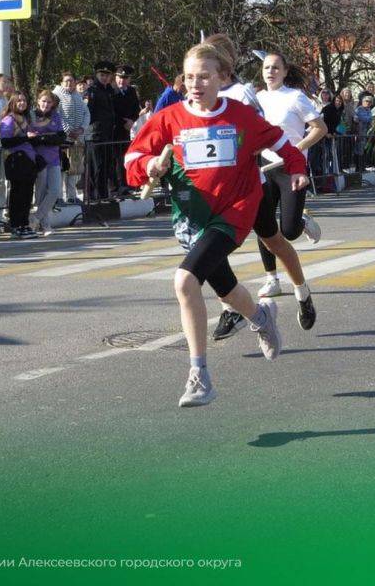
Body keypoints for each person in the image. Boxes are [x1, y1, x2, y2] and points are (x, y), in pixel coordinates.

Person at [125, 41, 308, 408]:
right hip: (191, 216)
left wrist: (298, 170)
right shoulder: (168, 118)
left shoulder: (240, 116)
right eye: (190, 77)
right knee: (225, 290)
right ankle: (261, 317)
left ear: (222, 78)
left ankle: (199, 376)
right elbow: (134, 157)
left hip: (234, 212)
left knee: (185, 280)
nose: (195, 84)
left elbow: (282, 144)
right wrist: (150, 167)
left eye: (204, 76)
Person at [236, 52, 324, 317]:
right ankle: (272, 278)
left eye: (275, 68)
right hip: (263, 166)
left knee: (289, 230)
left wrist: (294, 149)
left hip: (290, 169)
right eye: (266, 67)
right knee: (265, 227)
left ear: (285, 72)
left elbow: (320, 128)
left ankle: (302, 222)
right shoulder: (257, 98)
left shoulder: (295, 97)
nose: (270, 71)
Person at [0, 90, 39, 239]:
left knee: (27, 194)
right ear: (13, 103)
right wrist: (25, 138)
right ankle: (16, 225)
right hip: (16, 160)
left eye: (24, 101)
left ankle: (24, 223)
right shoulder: (9, 120)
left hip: (28, 160)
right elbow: (6, 142)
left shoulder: (25, 118)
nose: (22, 103)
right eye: (19, 100)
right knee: (17, 194)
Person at [30, 90, 66, 236]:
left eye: (49, 102)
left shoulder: (55, 116)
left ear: (53, 104)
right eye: (43, 101)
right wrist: (47, 137)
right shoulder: (32, 115)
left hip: (54, 157)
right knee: (40, 192)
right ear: (38, 101)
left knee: (55, 190)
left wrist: (44, 137)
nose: (46, 104)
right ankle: (46, 225)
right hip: (39, 158)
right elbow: (32, 136)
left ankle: (35, 218)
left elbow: (60, 135)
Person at [53, 72, 90, 204]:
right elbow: (57, 115)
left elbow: (87, 113)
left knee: (74, 170)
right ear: (61, 82)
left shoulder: (78, 96)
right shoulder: (56, 95)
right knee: (62, 169)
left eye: (72, 81)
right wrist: (68, 131)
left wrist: (81, 129)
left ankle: (71, 196)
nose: (69, 83)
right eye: (66, 81)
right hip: (63, 139)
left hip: (77, 139)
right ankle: (58, 197)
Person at [84, 61, 117, 202]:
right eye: (101, 75)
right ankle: (94, 197)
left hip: (107, 134)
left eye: (107, 75)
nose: (104, 77)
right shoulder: (91, 91)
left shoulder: (108, 90)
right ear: (96, 75)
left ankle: (103, 195)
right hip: (95, 135)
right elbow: (87, 112)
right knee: (96, 168)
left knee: (105, 166)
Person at [111, 66, 141, 196]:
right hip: (114, 129)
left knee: (125, 157)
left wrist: (132, 121)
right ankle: (117, 186)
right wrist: (124, 122)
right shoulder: (111, 91)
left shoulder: (131, 91)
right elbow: (111, 111)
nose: (122, 81)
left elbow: (136, 109)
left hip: (127, 130)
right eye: (119, 77)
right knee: (116, 159)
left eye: (125, 78)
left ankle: (126, 184)